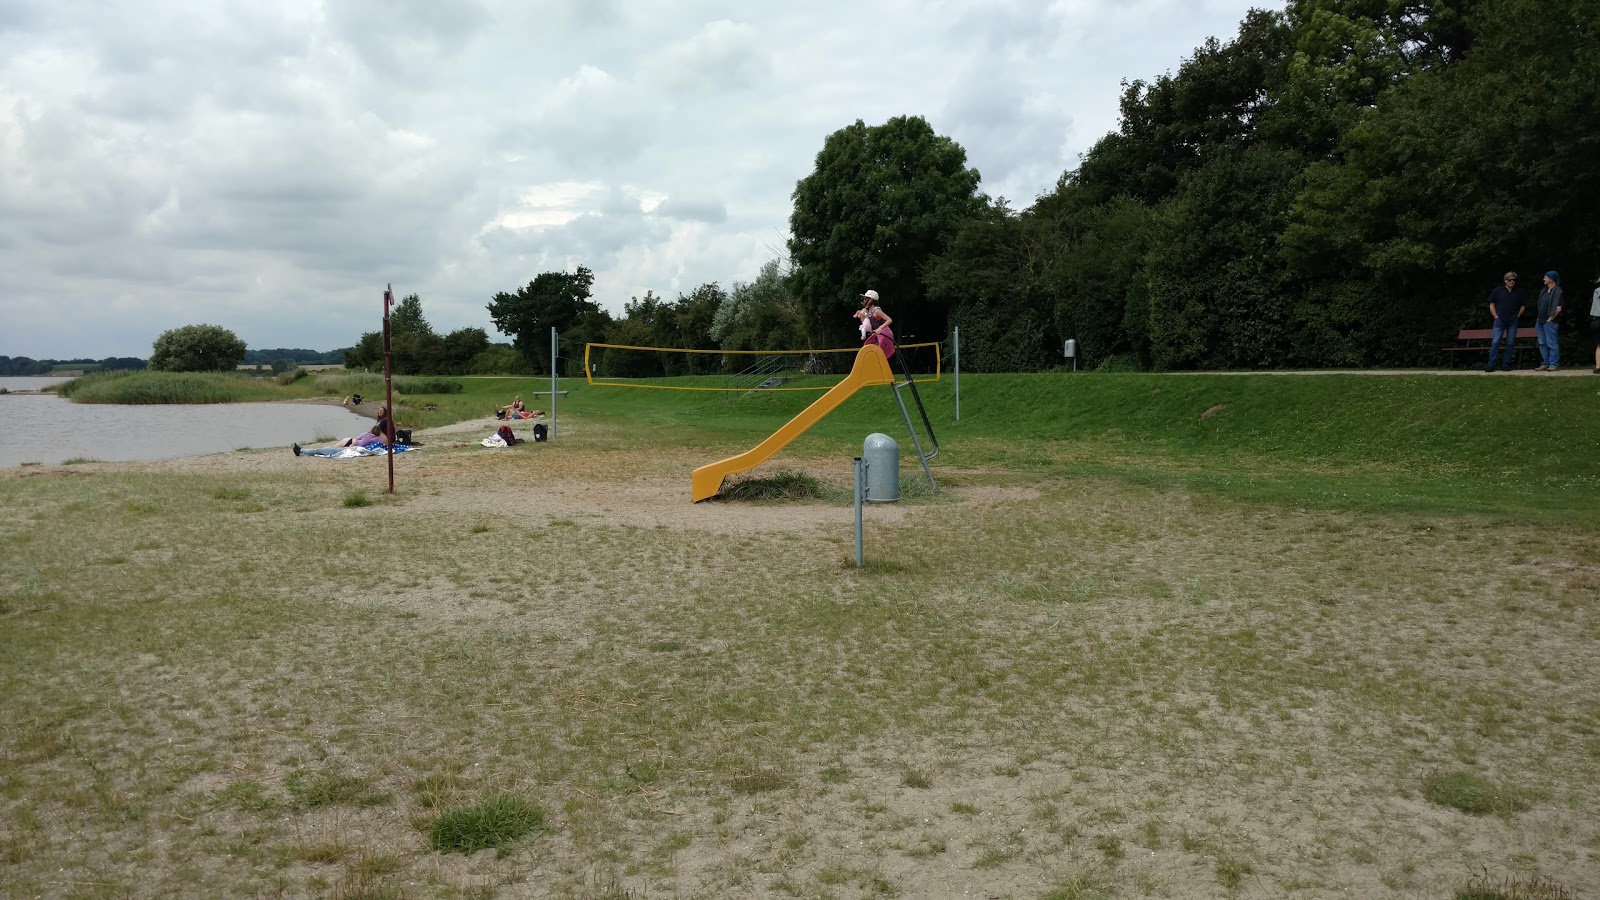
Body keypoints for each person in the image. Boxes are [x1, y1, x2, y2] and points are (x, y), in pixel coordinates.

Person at [1485, 272, 1525, 372]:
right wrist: (1495, 316)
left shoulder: (1519, 292)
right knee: (1495, 341)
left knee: (1510, 342)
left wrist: (1518, 315)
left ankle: (1506, 364)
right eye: (1509, 280)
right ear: (1505, 280)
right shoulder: (1497, 291)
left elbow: (1523, 305)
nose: (1512, 282)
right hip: (1500, 320)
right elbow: (1492, 304)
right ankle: (1491, 365)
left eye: (1514, 280)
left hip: (1512, 320)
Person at [1535, 271, 1564, 371]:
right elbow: (1540, 305)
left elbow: (1558, 308)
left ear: (1551, 279)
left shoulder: (1558, 291)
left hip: (1550, 321)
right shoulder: (1544, 291)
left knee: (1551, 343)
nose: (1544, 279)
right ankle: (1545, 363)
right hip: (1540, 321)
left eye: (1545, 277)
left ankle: (1553, 364)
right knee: (1542, 343)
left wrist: (1551, 318)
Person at [855, 289, 895, 359]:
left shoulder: (877, 311)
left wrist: (880, 328)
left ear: (871, 300)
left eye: (865, 298)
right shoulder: (870, 311)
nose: (864, 300)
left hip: (885, 333)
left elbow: (889, 320)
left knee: (878, 353)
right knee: (869, 346)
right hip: (878, 334)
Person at [1590, 275, 1600, 375]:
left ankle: (1598, 366)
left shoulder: (1596, 290)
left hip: (1596, 320)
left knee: (1598, 345)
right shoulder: (1598, 291)